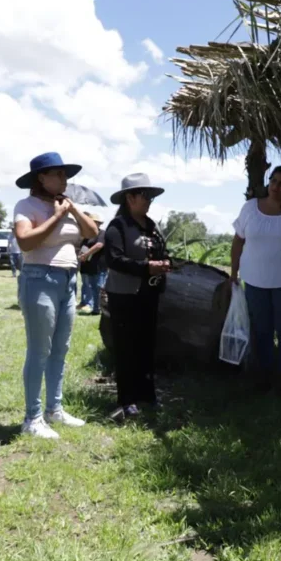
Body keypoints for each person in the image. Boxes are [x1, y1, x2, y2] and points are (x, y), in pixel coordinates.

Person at [13, 152, 99, 438]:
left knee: (60, 349)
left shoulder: (67, 205)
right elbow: (26, 241)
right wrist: (58, 216)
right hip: (39, 278)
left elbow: (92, 232)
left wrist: (72, 211)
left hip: (67, 279)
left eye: (66, 175)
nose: (65, 179)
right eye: (59, 174)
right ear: (41, 177)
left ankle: (55, 409)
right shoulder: (26, 205)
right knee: (40, 350)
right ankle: (33, 418)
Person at [230, 166, 281, 394]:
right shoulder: (250, 209)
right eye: (273, 180)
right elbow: (238, 242)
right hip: (254, 281)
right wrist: (233, 274)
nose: (275, 186)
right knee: (261, 330)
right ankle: (262, 376)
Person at [104, 173, 169, 420]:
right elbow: (114, 259)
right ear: (129, 198)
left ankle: (147, 395)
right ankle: (126, 399)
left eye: (150, 195)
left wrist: (164, 263)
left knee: (146, 345)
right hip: (124, 295)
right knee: (126, 347)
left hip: (149, 294)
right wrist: (146, 267)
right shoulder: (117, 226)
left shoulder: (151, 226)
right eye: (144, 195)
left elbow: (162, 251)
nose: (149, 200)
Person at [77, 212, 107, 315]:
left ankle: (103, 308)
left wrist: (86, 254)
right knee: (93, 288)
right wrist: (82, 255)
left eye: (95, 222)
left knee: (100, 287)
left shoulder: (102, 233)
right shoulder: (87, 235)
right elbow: (83, 247)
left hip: (99, 266)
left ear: (99, 223)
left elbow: (99, 245)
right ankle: (96, 309)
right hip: (89, 266)